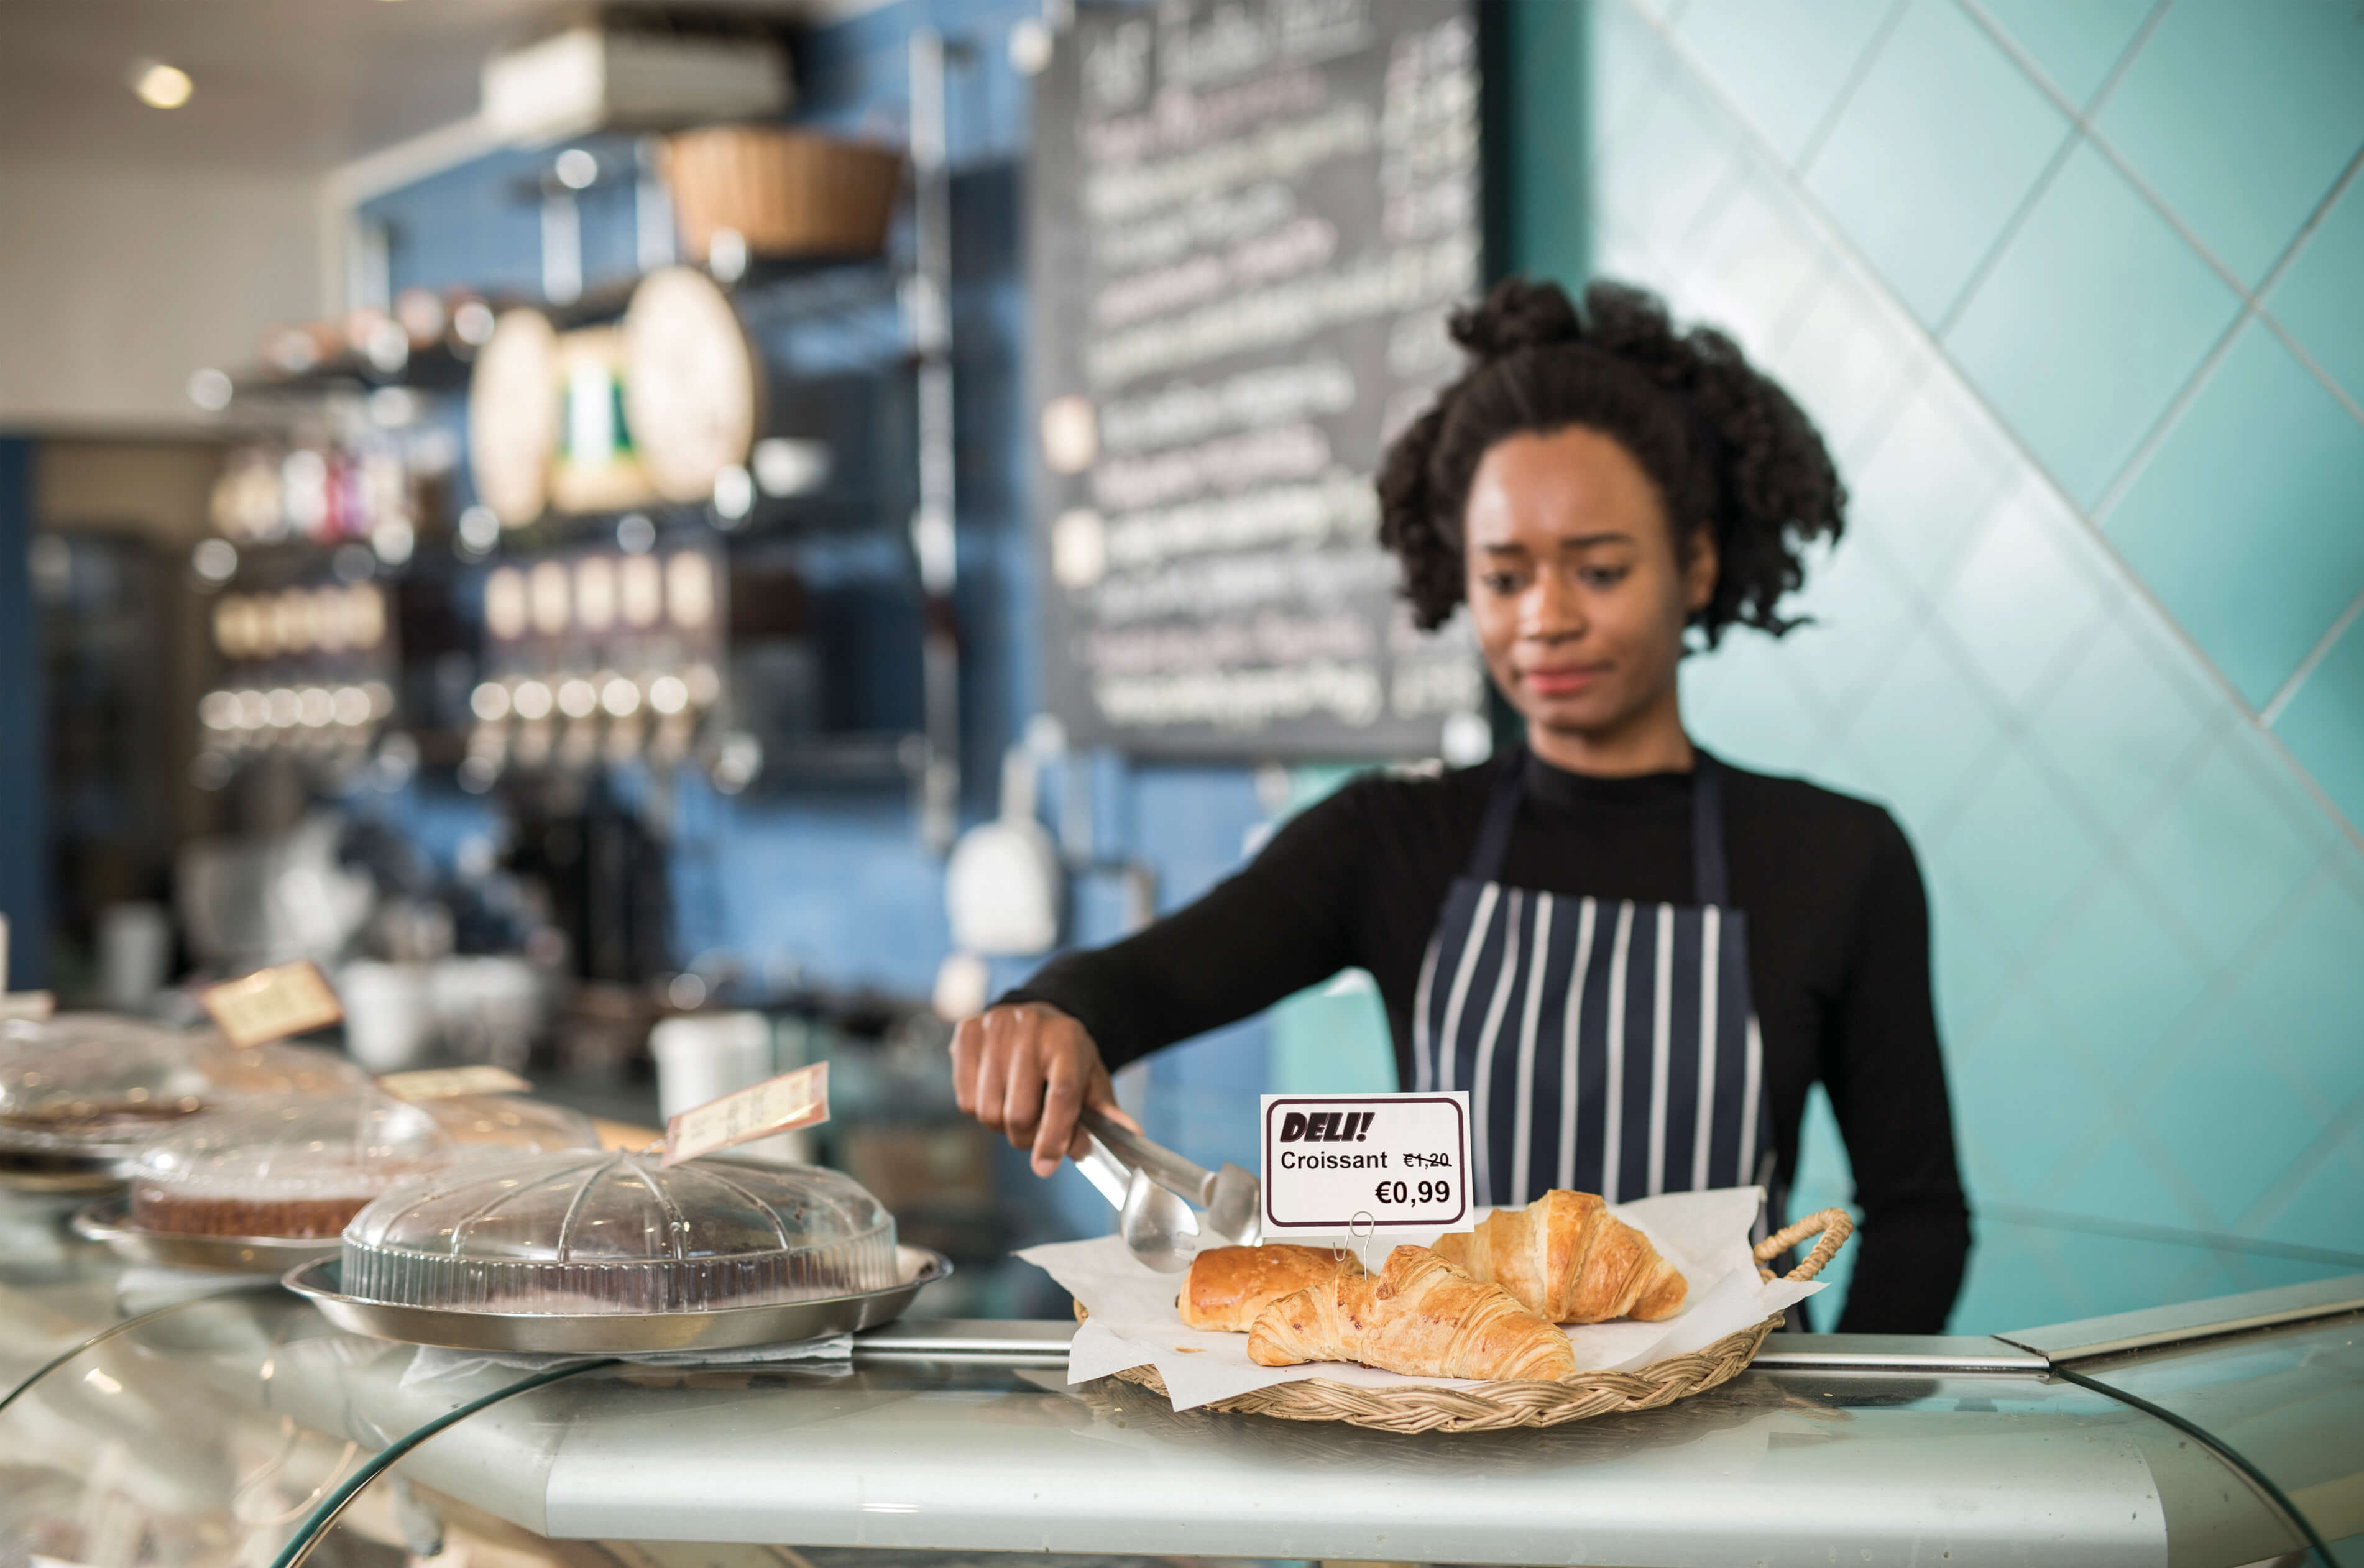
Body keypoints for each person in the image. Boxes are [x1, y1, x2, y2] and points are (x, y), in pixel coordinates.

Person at [954, 278, 1969, 1331]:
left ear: (1698, 567)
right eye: (1504, 577)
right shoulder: (1391, 841)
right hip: (1458, 1430)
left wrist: (1838, 1438)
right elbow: (1147, 983)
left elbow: (1919, 1217)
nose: (1546, 619)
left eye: (1601, 570)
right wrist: (1053, 1014)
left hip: (1741, 1456)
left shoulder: (1834, 857)